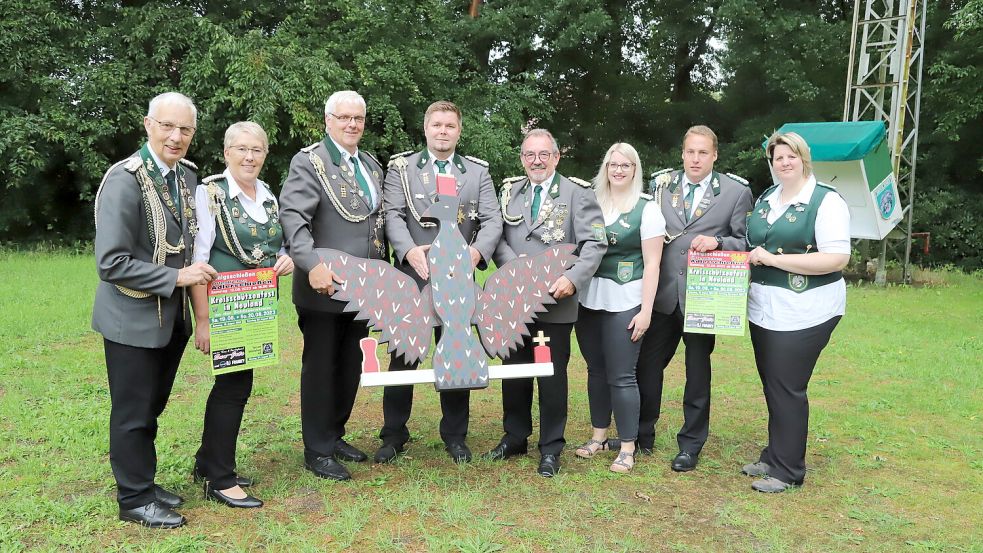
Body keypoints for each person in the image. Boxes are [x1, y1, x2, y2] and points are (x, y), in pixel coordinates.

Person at [93, 92, 217, 528]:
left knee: (151, 407)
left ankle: (143, 482)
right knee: (132, 413)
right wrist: (177, 279)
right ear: (148, 125)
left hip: (170, 321)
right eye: (167, 126)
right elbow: (111, 263)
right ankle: (133, 499)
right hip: (131, 319)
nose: (175, 136)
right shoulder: (124, 179)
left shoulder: (184, 176)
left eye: (184, 129)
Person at [375, 100, 503, 464]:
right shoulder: (402, 169)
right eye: (437, 125)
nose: (443, 131)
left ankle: (455, 435)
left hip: (458, 278)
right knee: (403, 353)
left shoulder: (476, 173)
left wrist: (476, 255)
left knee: (456, 345)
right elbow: (393, 215)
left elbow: (493, 220)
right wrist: (409, 251)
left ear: (459, 130)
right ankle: (394, 432)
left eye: (450, 125)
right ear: (426, 129)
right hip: (415, 278)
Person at [486, 129, 607, 477]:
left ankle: (551, 446)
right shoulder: (510, 192)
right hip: (515, 300)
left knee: (552, 375)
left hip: (557, 299)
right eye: (529, 155)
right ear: (522, 158)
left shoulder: (577, 194)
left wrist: (572, 279)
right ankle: (515, 436)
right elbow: (498, 238)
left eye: (543, 154)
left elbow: (595, 245)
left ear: (556, 157)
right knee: (515, 370)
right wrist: (517, 273)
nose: (536, 161)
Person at [279, 90, 386, 481]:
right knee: (322, 367)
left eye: (358, 118)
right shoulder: (310, 162)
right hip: (324, 286)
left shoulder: (372, 166)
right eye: (344, 118)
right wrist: (313, 266)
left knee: (350, 366)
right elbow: (293, 221)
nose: (352, 124)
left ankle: (334, 433)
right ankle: (317, 449)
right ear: (328, 120)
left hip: (364, 290)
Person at [188, 121, 294, 508]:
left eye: (257, 150)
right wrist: (203, 321)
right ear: (226, 152)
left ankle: (207, 462)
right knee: (232, 388)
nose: (250, 157)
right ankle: (220, 478)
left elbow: (272, 245)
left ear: (265, 154)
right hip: (225, 305)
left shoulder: (266, 193)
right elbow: (199, 258)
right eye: (242, 149)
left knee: (237, 385)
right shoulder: (209, 193)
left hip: (256, 304)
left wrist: (285, 260)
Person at [637, 125, 754, 471]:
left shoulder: (734, 192)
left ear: (715, 155)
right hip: (661, 295)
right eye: (690, 151)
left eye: (703, 152)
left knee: (697, 372)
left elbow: (747, 241)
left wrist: (719, 243)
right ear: (682, 153)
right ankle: (642, 434)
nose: (695, 159)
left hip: (705, 298)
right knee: (647, 367)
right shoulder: (660, 186)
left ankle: (690, 444)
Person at [743, 131, 850, 492]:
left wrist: (774, 259)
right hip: (764, 308)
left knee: (788, 386)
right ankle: (775, 454)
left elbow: (836, 258)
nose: (784, 163)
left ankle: (788, 470)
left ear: (804, 159)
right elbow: (751, 243)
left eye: (791, 156)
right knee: (773, 384)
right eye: (778, 158)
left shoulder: (826, 201)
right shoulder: (768, 197)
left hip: (808, 309)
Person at [573, 143, 664, 473]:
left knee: (623, 376)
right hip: (589, 298)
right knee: (595, 371)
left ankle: (627, 446)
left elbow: (653, 264)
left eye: (626, 165)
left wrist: (646, 310)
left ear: (636, 169)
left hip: (627, 298)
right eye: (613, 164)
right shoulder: (592, 202)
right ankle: (598, 436)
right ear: (605, 168)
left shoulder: (647, 208)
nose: (619, 170)